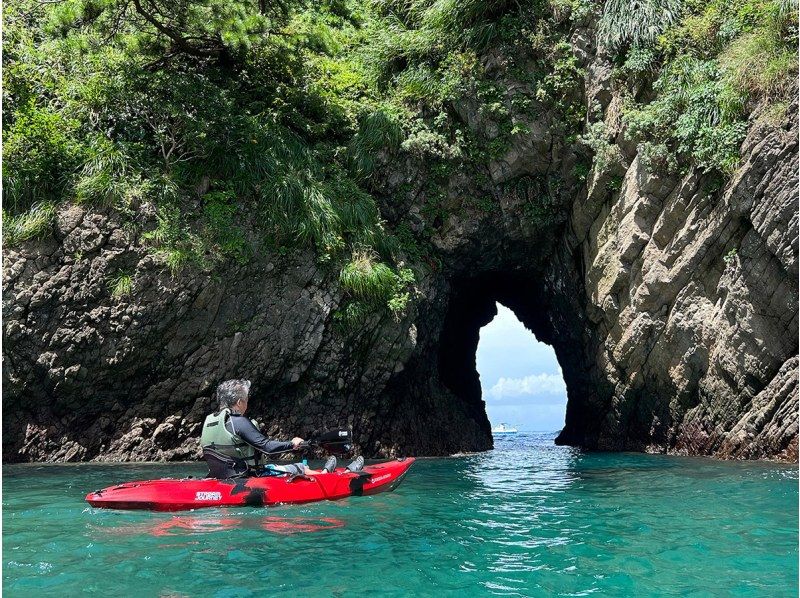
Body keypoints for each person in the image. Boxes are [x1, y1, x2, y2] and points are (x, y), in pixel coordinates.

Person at [200, 379, 363, 479]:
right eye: (246, 400)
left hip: (220, 477)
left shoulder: (210, 422)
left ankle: (327, 470)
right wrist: (292, 444)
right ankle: (329, 476)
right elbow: (267, 447)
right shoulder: (238, 422)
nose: (247, 403)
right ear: (239, 402)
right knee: (300, 468)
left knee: (287, 467)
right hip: (246, 477)